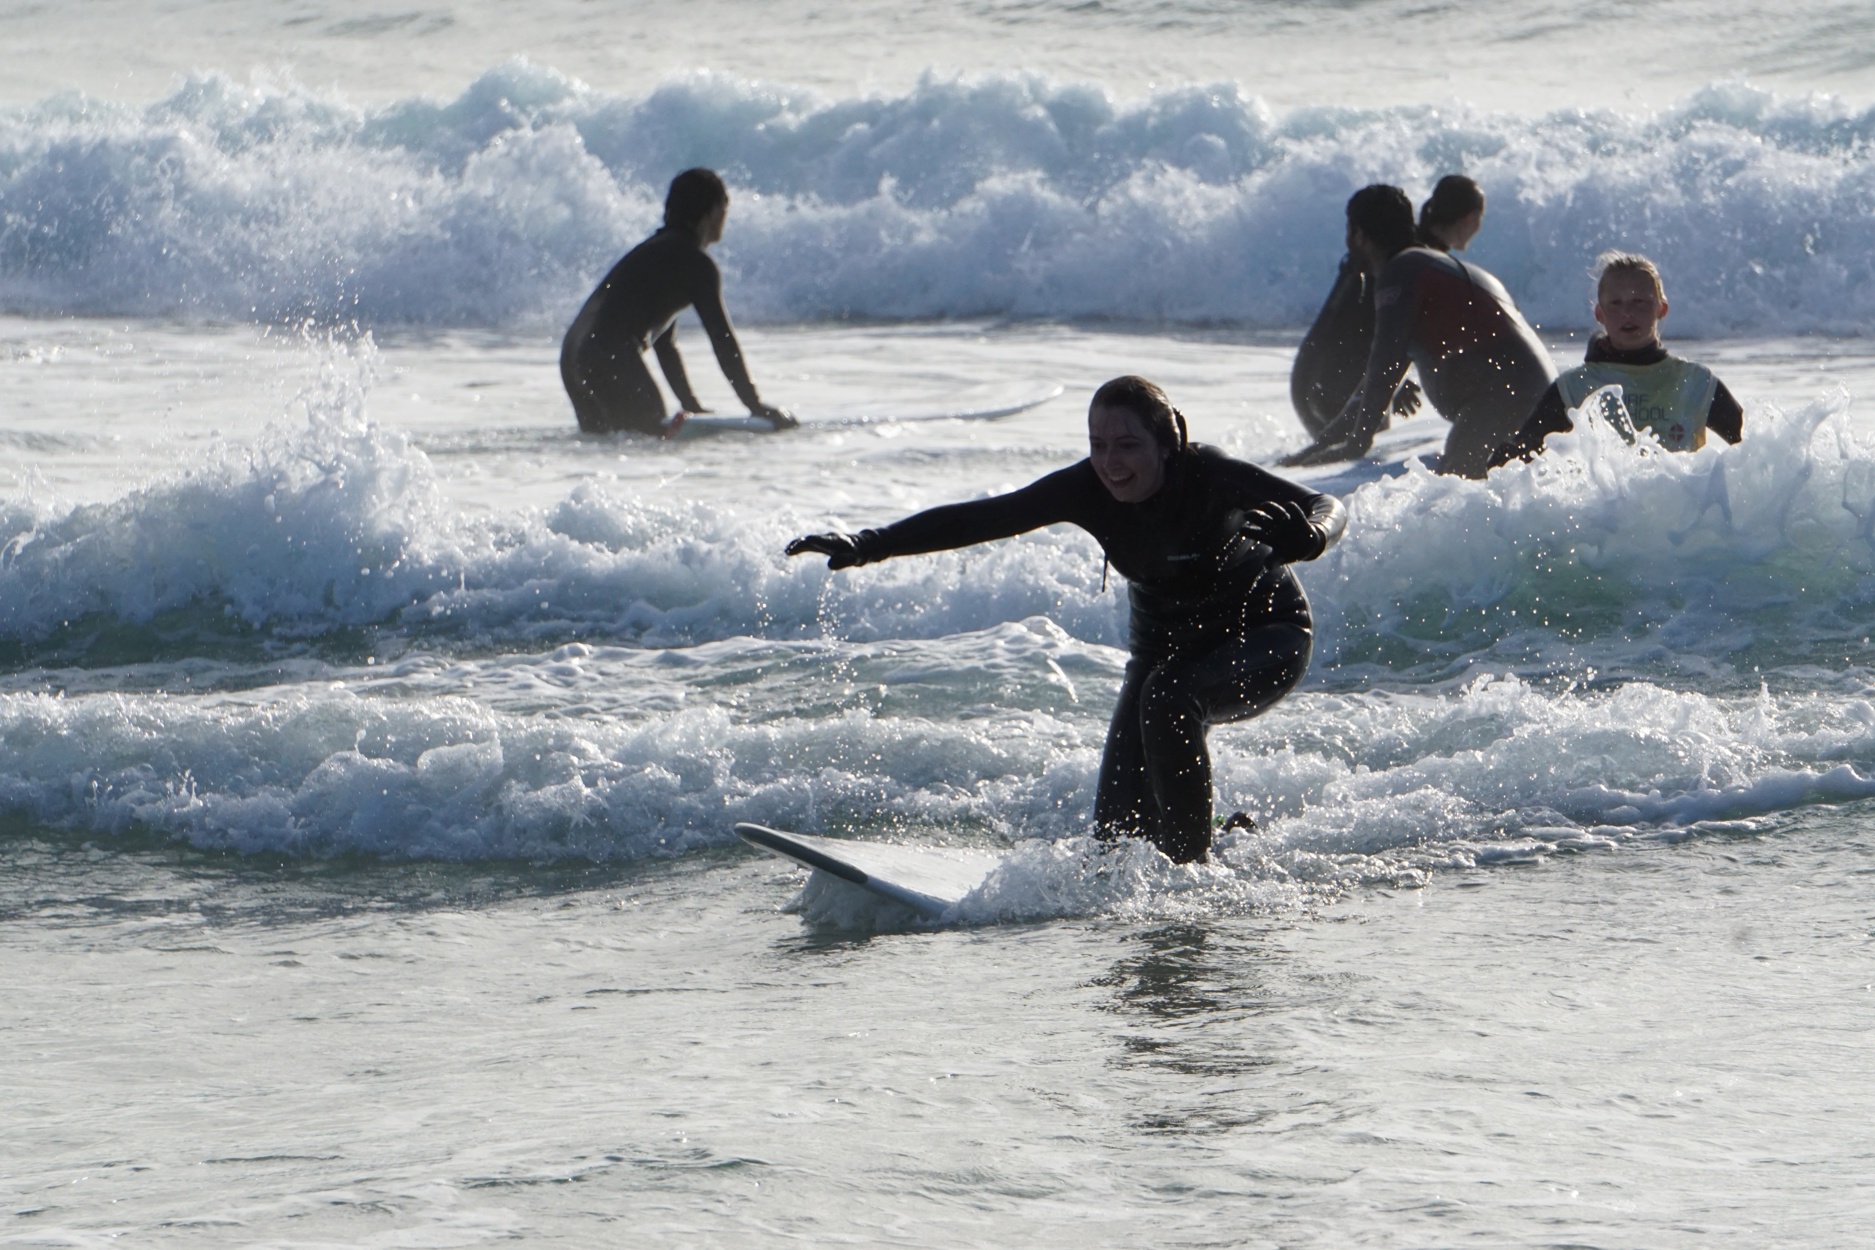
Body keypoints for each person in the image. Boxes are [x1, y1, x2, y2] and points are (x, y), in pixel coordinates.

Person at [786, 376, 1347, 865]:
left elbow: (1328, 503)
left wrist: (1314, 535)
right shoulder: (1087, 488)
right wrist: (869, 543)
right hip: (1162, 657)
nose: (1110, 463)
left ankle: (1193, 869)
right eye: (1098, 445)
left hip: (1265, 634)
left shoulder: (1212, 476)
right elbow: (987, 517)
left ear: (1169, 442)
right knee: (1115, 843)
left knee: (1170, 701)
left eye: (1128, 445)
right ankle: (1222, 842)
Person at [1282, 184, 1556, 479]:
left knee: (1458, 486)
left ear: (1358, 233)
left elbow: (1385, 360)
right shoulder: (1420, 267)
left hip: (1510, 395)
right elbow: (1374, 384)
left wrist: (1357, 443)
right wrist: (1319, 447)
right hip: (1529, 396)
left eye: (1349, 232)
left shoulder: (1399, 273)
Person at [561, 168, 792, 436]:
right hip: (607, 354)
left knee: (606, 446)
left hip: (572, 354)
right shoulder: (696, 264)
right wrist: (754, 404)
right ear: (713, 212)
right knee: (646, 441)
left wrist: (690, 404)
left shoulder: (659, 252)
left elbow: (664, 344)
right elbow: (722, 338)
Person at [1492, 252, 1742, 465]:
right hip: (1606, 519)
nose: (1627, 313)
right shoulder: (1576, 387)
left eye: (1639, 302)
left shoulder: (1695, 382)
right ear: (1599, 313)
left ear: (1661, 309)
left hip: (1679, 517)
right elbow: (1517, 458)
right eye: (1616, 303)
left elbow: (1756, 447)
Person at [1287, 174, 1481, 439]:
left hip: (1310, 383)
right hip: (1328, 388)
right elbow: (1360, 333)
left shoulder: (1373, 259)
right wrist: (1388, 382)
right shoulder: (1399, 268)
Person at [1416, 174, 1485, 253]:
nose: (1478, 227)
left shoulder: (1409, 242)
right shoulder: (1431, 260)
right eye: (1480, 217)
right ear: (1470, 218)